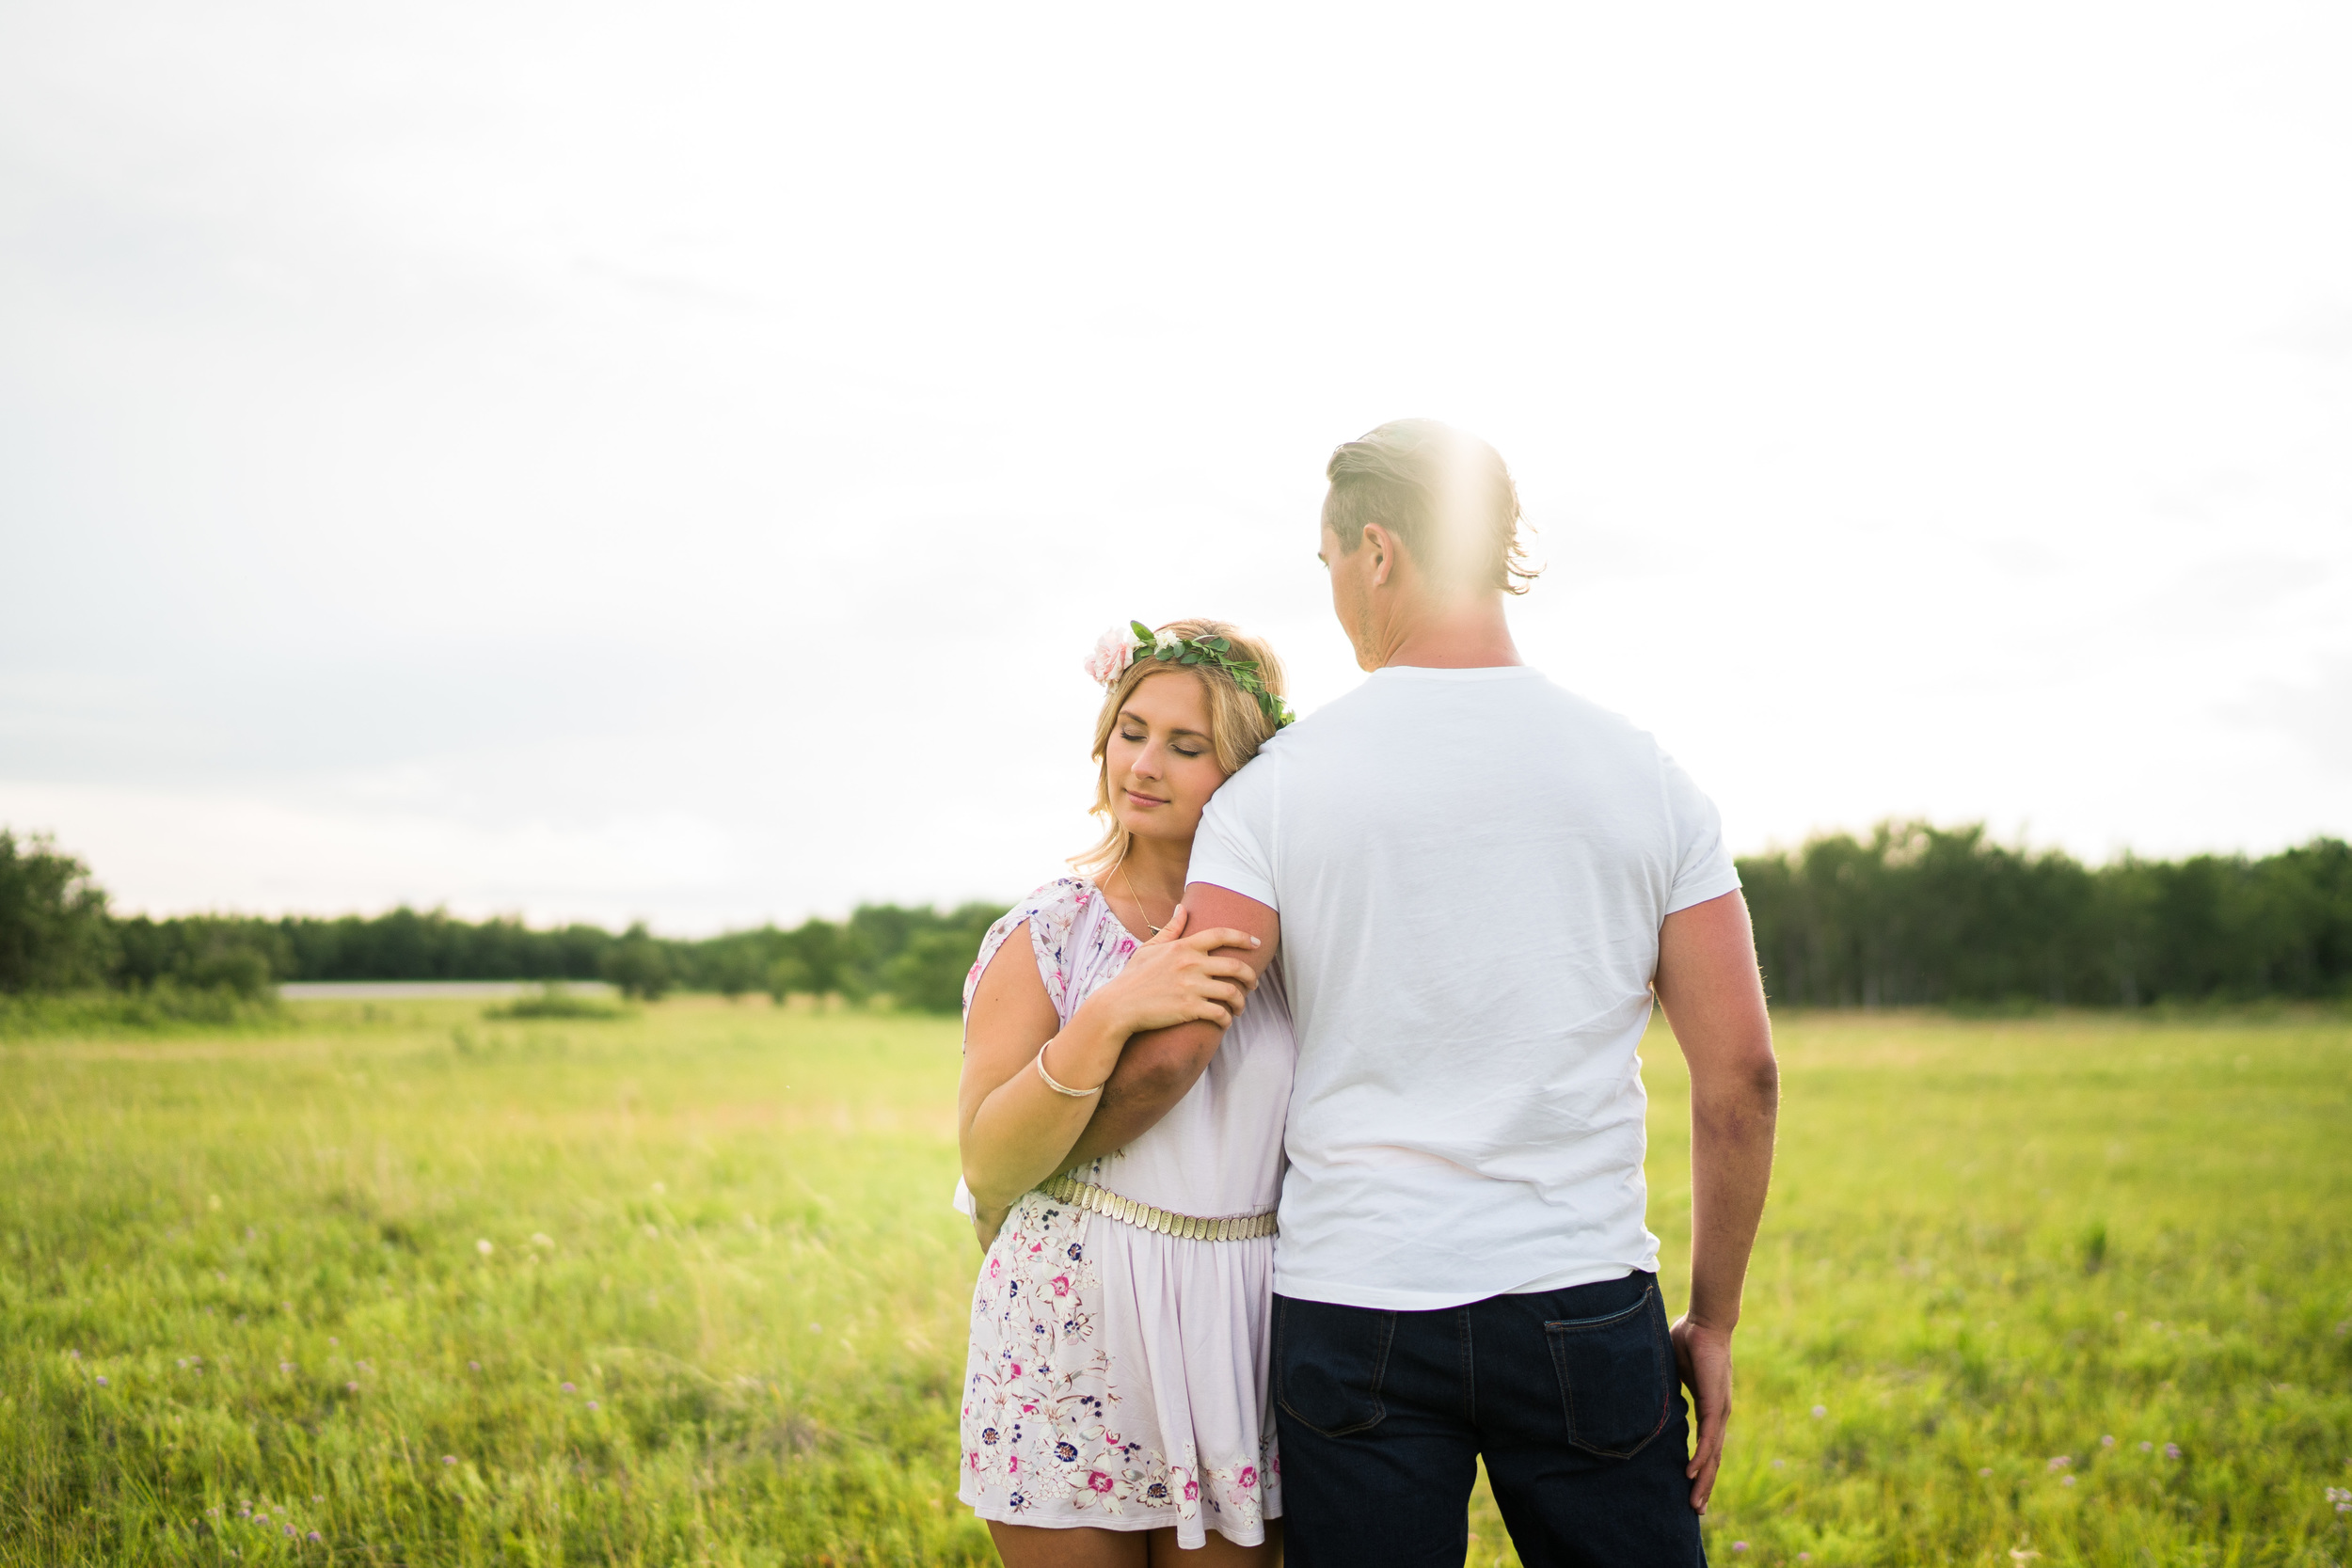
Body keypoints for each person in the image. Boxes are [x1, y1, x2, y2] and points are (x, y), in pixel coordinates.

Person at [1074, 421, 1782, 1567]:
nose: (1339, 598)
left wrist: (1046, 1148)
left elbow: (1172, 1052)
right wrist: (1716, 1317)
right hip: (1583, 1295)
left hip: (1356, 1303)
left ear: (1378, 550)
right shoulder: (1645, 775)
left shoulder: (1274, 794)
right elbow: (1741, 1077)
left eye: (1330, 568)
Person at [955, 617, 1298, 1565]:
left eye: (1185, 745)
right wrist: (1109, 1013)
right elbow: (987, 1154)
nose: (1142, 762)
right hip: (1071, 1318)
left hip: (1241, 1318)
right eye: (1130, 729)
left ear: (1245, 769)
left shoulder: (1289, 942)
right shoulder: (1051, 928)